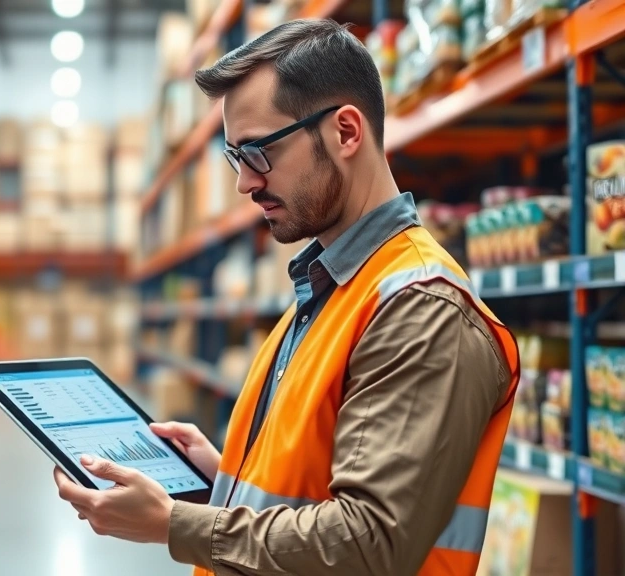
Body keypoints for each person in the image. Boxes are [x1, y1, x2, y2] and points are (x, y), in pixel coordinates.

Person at [53, 18, 521, 576]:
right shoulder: (332, 287)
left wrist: (174, 524)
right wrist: (223, 482)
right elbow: (313, 489)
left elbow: (369, 543)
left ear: (346, 133)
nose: (244, 184)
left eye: (257, 151)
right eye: (235, 157)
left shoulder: (420, 309)